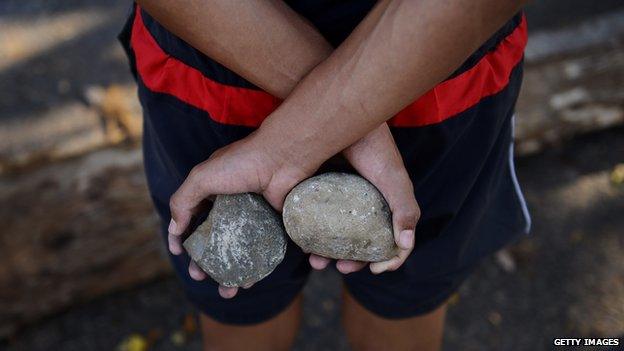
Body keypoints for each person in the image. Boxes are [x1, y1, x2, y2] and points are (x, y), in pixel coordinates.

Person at [118, 0, 532, 350]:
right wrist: (350, 127)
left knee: (244, 298)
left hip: (225, 67)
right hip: (424, 70)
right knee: (401, 288)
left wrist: (301, 137)